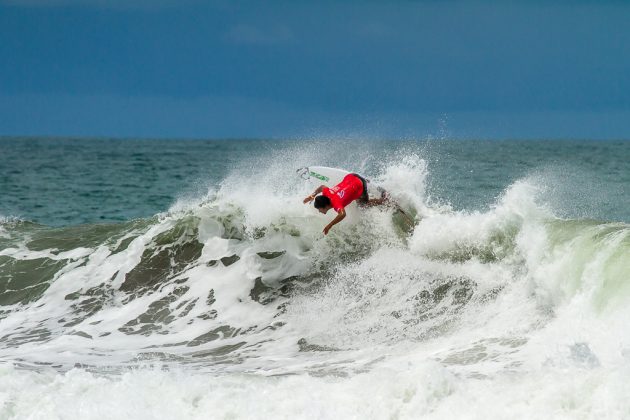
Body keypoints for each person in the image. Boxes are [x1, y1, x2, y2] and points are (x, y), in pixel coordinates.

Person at [303, 173, 389, 235]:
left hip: (360, 184)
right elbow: (322, 187)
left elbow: (342, 214)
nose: (319, 211)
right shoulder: (327, 193)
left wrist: (330, 225)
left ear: (325, 206)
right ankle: (365, 182)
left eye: (319, 209)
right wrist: (312, 196)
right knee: (353, 195)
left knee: (363, 205)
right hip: (352, 176)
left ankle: (384, 200)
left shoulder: (336, 203)